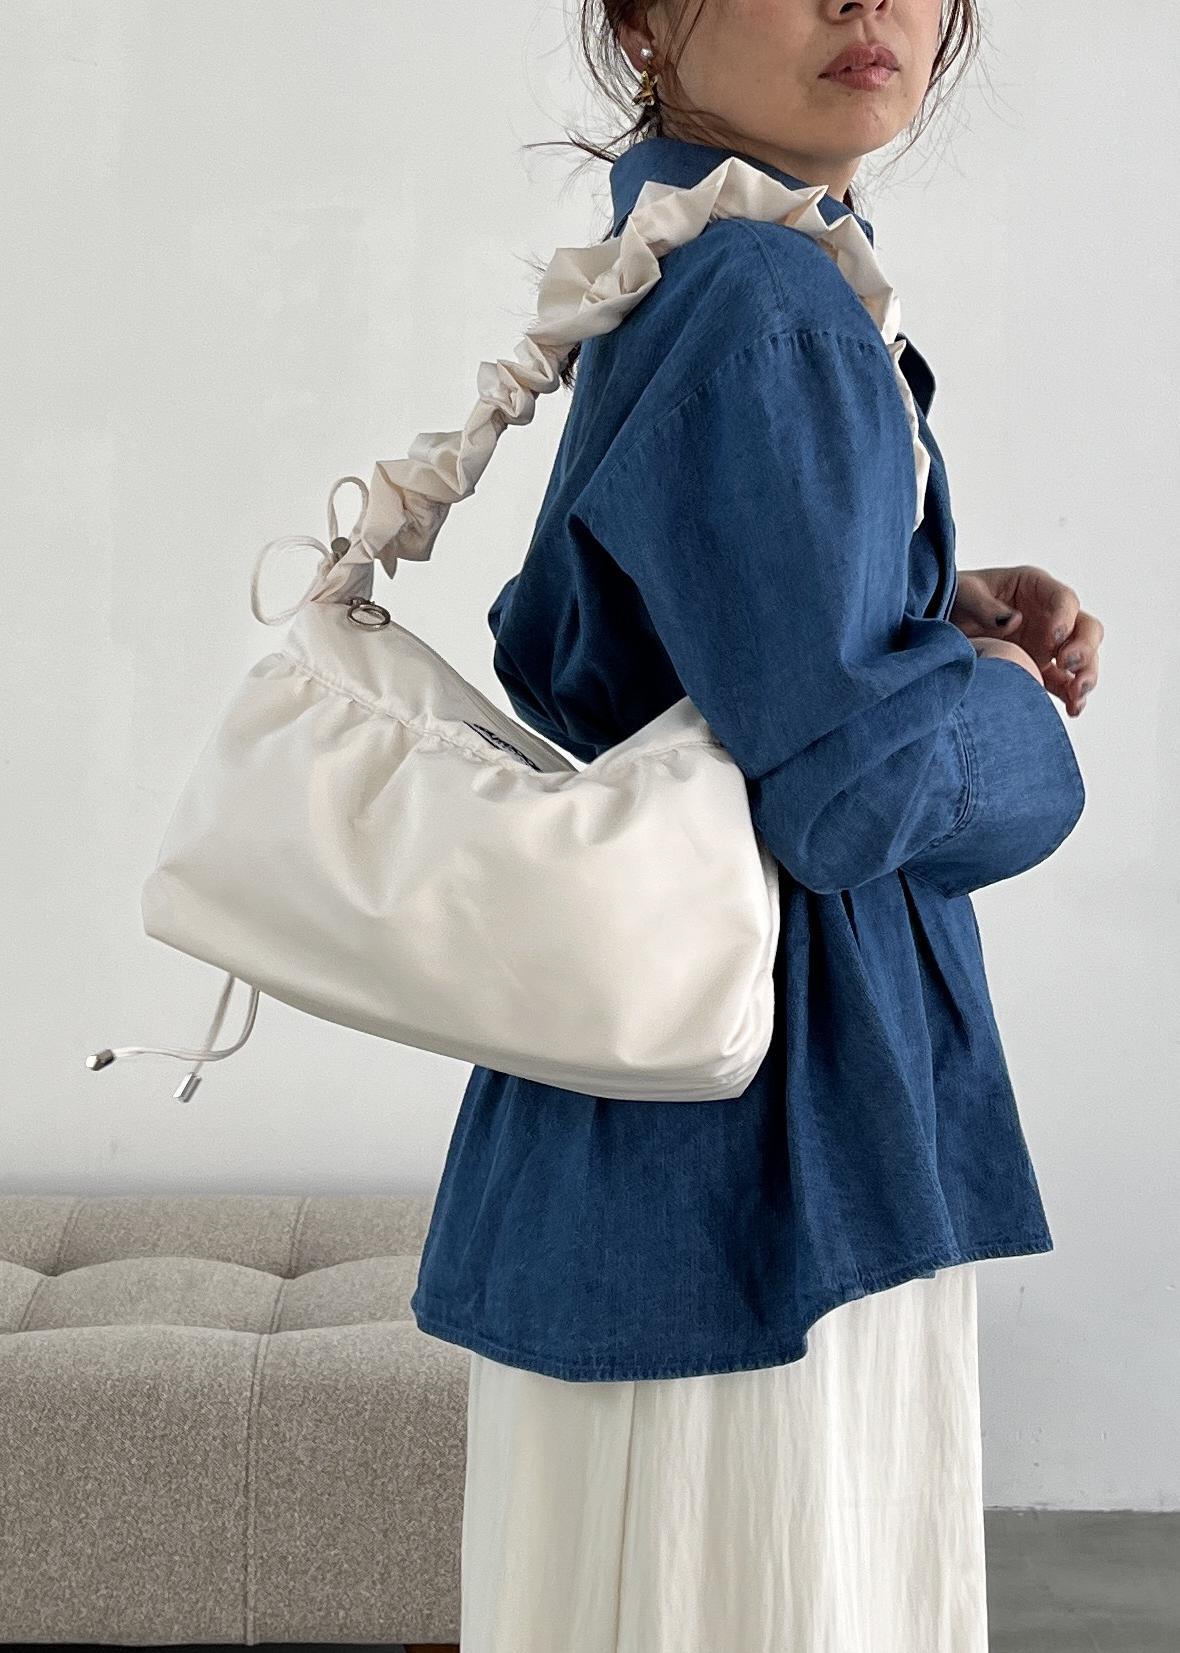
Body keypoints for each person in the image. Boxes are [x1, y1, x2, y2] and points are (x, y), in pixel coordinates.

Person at [407, 3, 1103, 1650]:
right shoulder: (766, 295)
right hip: (766, 1170)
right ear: (646, 13)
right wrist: (1012, 706)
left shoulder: (683, 266)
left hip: (653, 1136)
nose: (872, 3)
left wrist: (914, 603)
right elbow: (853, 797)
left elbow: (625, 637)